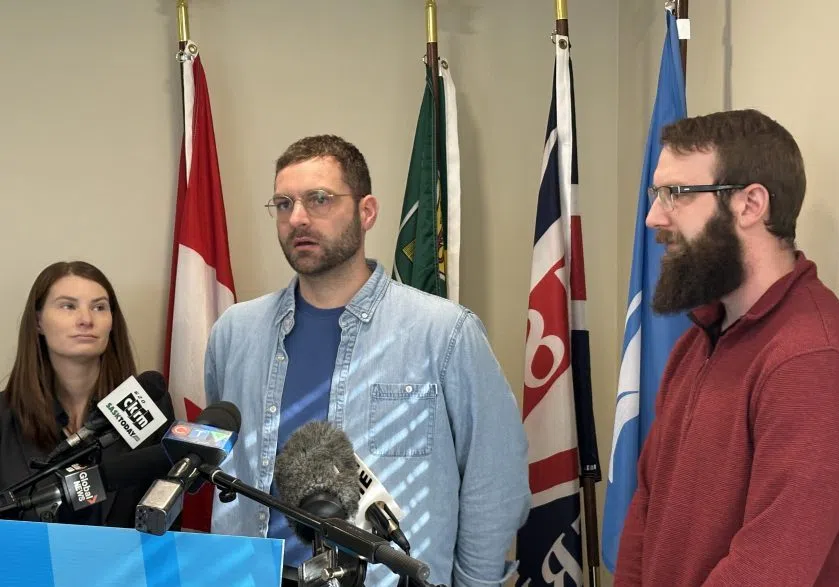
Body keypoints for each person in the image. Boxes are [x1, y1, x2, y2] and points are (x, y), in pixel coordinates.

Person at [204, 135, 530, 586]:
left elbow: (494, 480)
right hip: (254, 576)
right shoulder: (235, 333)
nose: (297, 218)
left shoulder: (444, 332)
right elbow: (222, 464)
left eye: (319, 199)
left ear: (367, 211)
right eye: (283, 203)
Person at [613, 109, 839, 586]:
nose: (655, 216)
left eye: (675, 194)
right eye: (658, 194)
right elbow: (647, 509)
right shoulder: (698, 341)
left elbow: (768, 571)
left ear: (750, 204)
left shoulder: (815, 364)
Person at [0, 261, 171, 527]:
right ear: (38, 322)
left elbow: (166, 519)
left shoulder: (147, 406)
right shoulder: (4, 416)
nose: (86, 319)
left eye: (99, 307)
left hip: (126, 567)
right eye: (68, 306)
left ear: (112, 322)